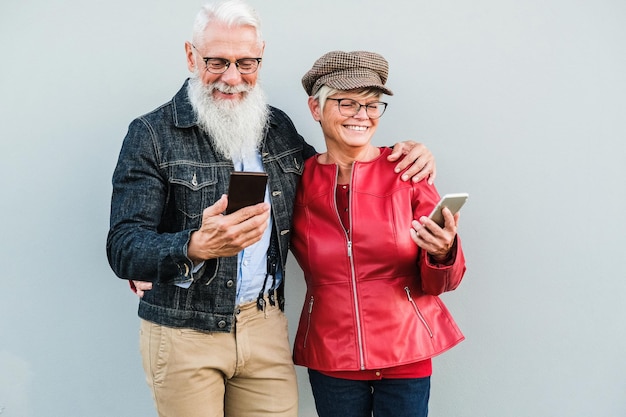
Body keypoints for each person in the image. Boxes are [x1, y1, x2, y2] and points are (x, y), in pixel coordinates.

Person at [106, 1, 437, 416]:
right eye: (217, 61)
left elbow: (335, 173)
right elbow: (124, 246)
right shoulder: (151, 133)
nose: (232, 77)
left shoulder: (276, 126)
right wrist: (192, 245)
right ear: (191, 56)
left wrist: (406, 154)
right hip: (185, 330)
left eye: (246, 62)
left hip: (264, 326)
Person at [290, 50, 467, 417]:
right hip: (331, 353)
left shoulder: (407, 171)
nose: (362, 115)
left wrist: (442, 252)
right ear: (315, 108)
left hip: (407, 352)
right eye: (347, 103)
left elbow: (441, 284)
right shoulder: (296, 180)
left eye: (372, 105)